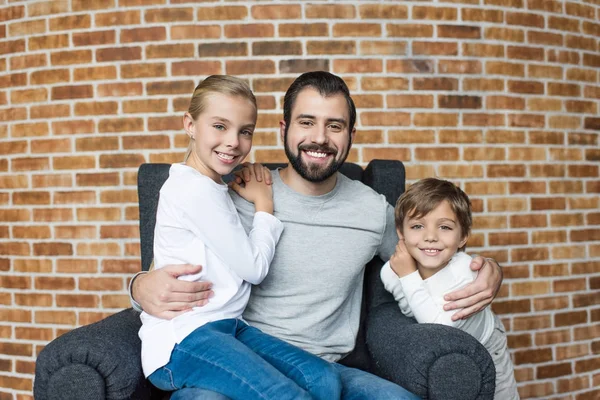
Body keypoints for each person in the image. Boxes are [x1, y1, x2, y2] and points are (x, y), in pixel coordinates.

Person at [131, 71, 503, 399]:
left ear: (351, 134)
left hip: (326, 366)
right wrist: (138, 286)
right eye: (306, 122)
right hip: (234, 356)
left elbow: (429, 247)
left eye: (335, 126)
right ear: (284, 129)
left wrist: (484, 268)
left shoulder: (372, 211)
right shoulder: (240, 193)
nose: (320, 138)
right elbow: (175, 260)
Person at [142, 75, 342, 400]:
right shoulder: (192, 189)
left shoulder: (214, 185)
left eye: (245, 131)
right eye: (219, 126)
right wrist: (264, 205)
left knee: (323, 380)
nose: (234, 141)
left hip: (229, 327)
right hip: (184, 339)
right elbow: (254, 268)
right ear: (190, 124)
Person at [381, 177, 519, 399]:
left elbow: (441, 331)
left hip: (486, 342)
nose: (430, 237)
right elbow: (410, 311)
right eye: (417, 226)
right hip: (452, 349)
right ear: (401, 232)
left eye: (444, 227)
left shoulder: (466, 273)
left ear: (462, 236)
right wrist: (408, 277)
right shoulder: (390, 271)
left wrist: (409, 276)